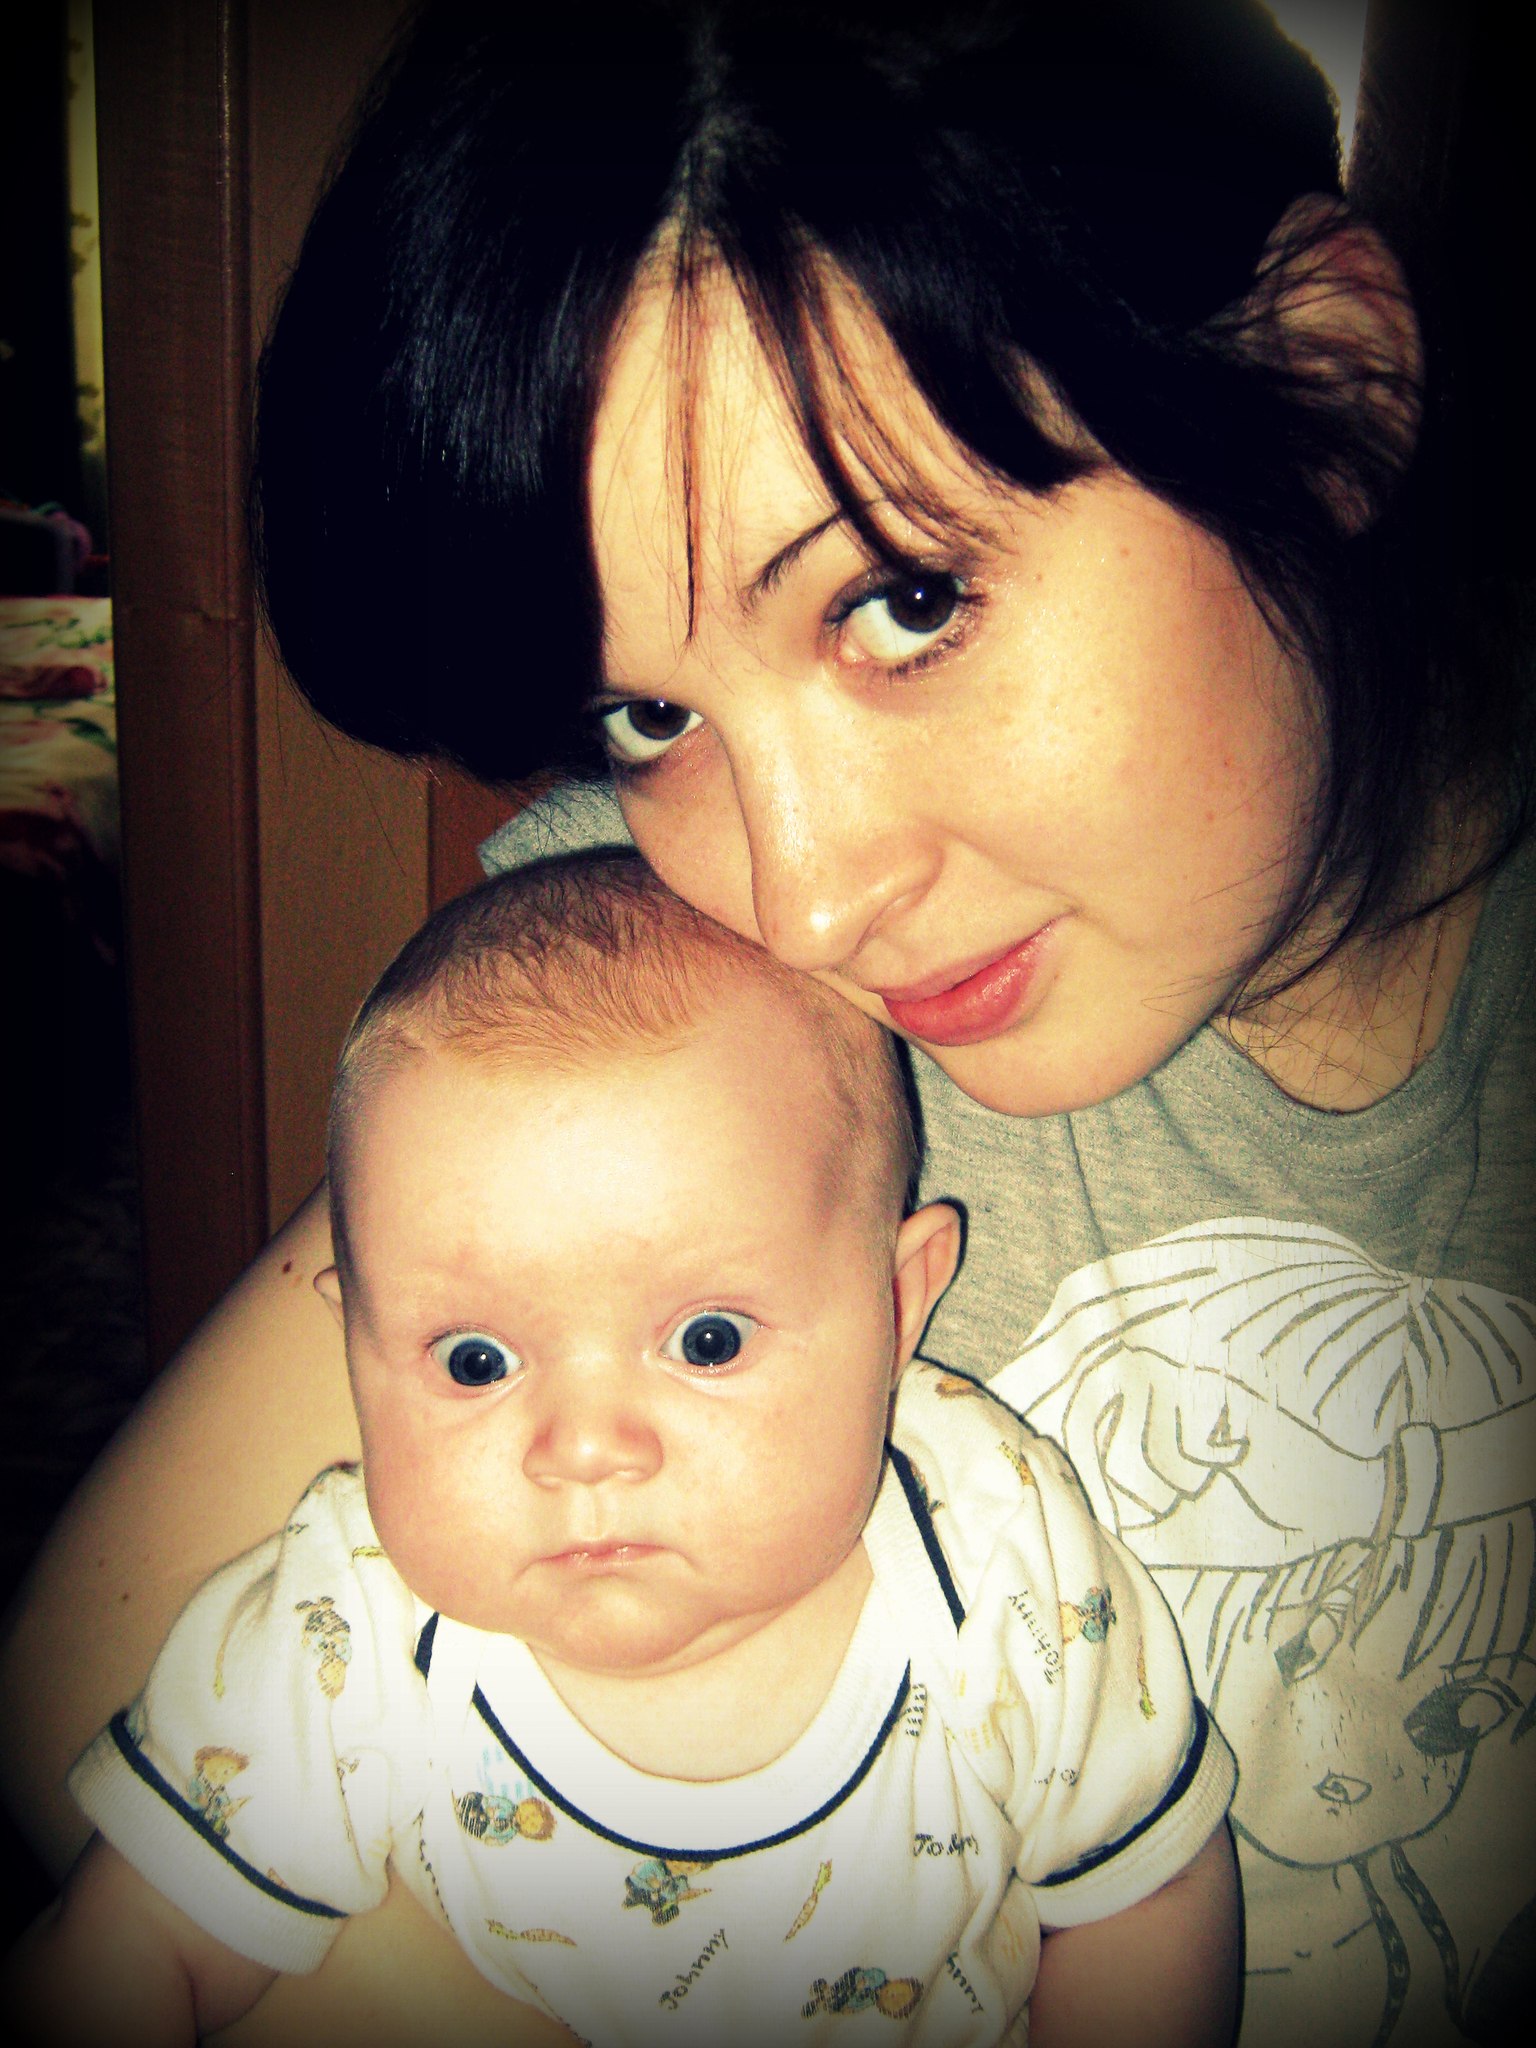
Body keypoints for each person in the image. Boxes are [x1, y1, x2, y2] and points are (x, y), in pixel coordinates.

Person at [1, 2, 1529, 2044]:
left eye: (901, 600)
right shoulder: (696, 1002)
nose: (803, 900)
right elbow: (98, 1686)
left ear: (1324, 380)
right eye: (653, 713)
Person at [6, 854, 1238, 2048]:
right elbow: (143, 1942)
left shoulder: (999, 1554)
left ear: (899, 1301)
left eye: (707, 1340)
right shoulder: (342, 1636)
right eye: (475, 1360)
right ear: (351, 1343)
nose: (585, 1448)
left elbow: (1142, 1893)